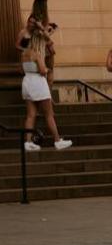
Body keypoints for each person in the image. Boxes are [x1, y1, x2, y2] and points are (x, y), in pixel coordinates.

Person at [21, 20, 72, 152]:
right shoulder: (36, 54)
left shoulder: (23, 54)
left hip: (27, 82)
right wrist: (47, 70)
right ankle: (57, 140)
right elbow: (43, 70)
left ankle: (27, 142)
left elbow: (23, 69)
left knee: (31, 114)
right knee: (49, 113)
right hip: (38, 83)